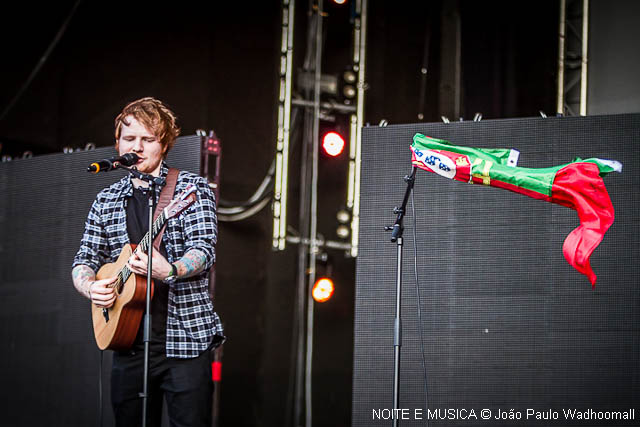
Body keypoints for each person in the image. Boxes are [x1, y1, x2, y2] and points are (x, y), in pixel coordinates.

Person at [71, 97, 224, 426]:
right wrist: (90, 286)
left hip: (185, 340)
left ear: (164, 144)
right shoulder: (106, 200)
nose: (136, 147)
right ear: (118, 143)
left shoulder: (191, 188)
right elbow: (84, 259)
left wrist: (170, 269)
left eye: (147, 139)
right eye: (129, 139)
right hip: (127, 342)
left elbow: (204, 250)